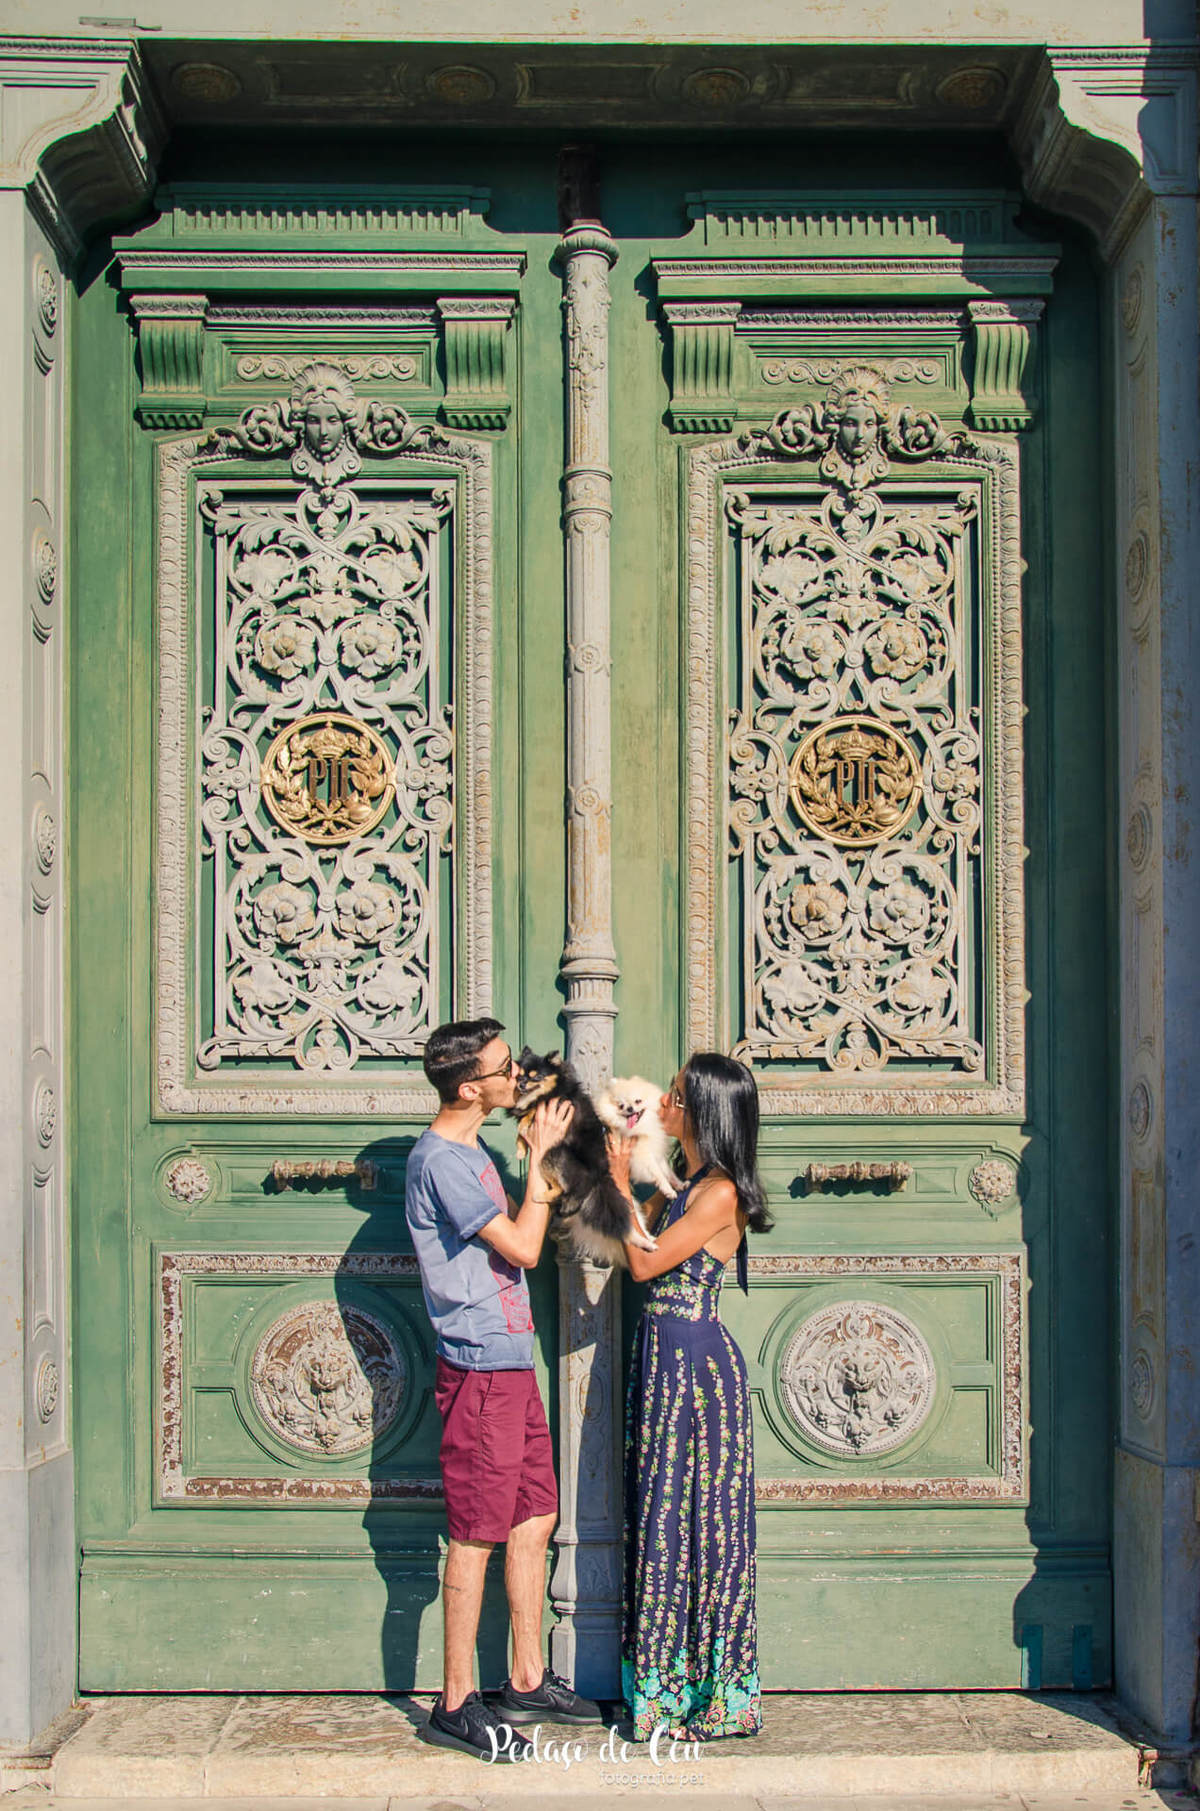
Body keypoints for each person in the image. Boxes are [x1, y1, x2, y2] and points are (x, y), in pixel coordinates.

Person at [405, 1016, 603, 1759]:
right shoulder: (442, 1163)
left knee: (533, 1517)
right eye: (499, 1068)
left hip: (509, 1361)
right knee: (475, 1535)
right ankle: (455, 1702)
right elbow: (522, 1245)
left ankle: (524, 1676)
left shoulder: (470, 1149)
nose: (514, 1074)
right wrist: (544, 1168)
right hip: (480, 1368)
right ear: (467, 1086)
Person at [609, 1051, 771, 1742]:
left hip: (699, 1374)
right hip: (663, 1361)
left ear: (704, 1110)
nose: (663, 1103)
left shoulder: (721, 1191)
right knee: (662, 1520)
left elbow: (644, 1260)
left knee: (703, 1529)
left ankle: (713, 1695)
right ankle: (660, 1687)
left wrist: (617, 1179)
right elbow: (630, 1243)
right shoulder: (687, 1181)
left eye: (674, 1095)